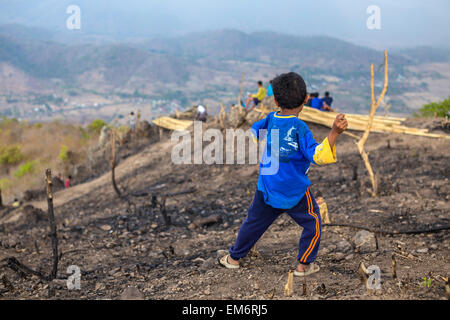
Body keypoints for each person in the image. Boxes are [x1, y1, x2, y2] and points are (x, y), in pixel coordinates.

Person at [219, 72, 348, 276]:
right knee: (313, 224)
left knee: (253, 223)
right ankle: (304, 266)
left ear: (276, 100)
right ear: (306, 99)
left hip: (268, 187)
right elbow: (318, 156)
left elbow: (255, 131)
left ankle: (233, 258)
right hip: (294, 191)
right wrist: (334, 133)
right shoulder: (300, 128)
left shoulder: (271, 118)